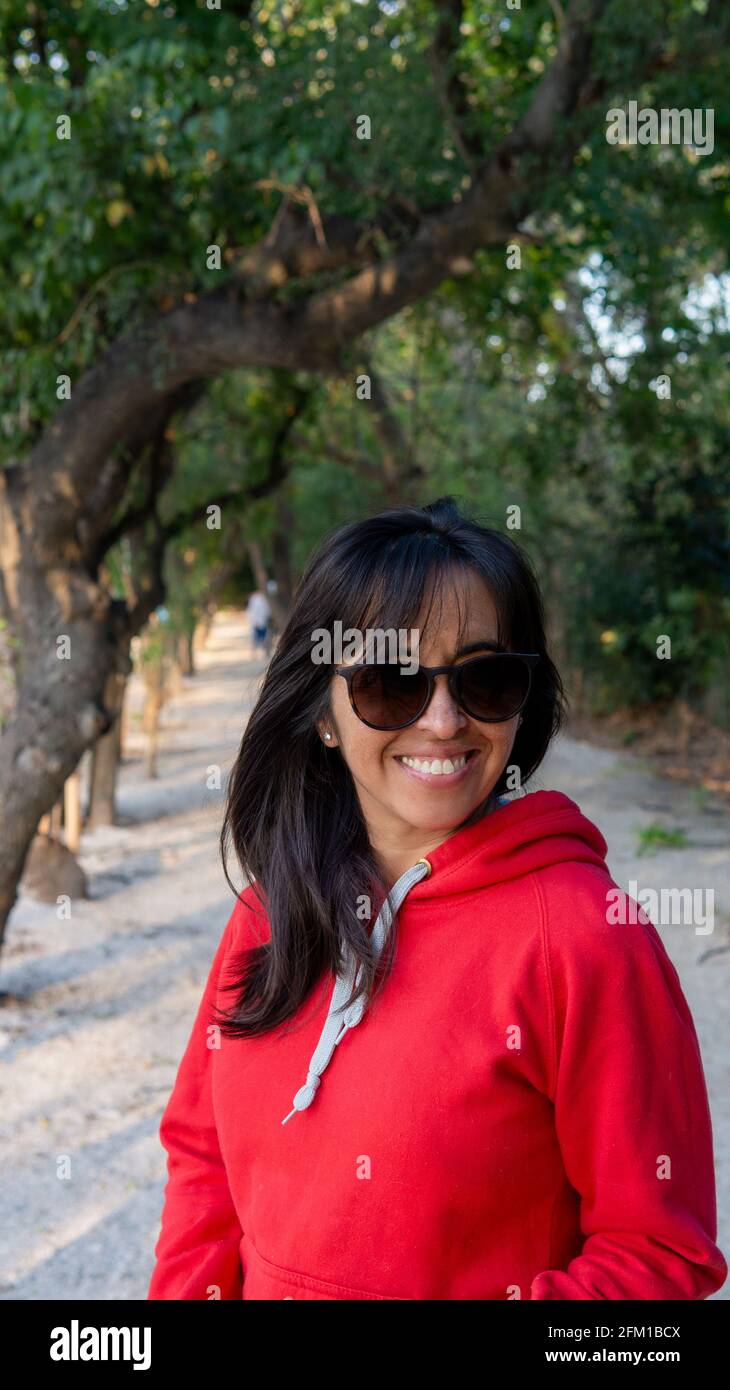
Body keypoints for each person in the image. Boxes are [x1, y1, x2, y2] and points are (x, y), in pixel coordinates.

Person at [147, 496, 727, 1301]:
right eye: (393, 682)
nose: (444, 721)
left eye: (485, 678)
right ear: (322, 710)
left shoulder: (585, 937)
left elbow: (662, 1257)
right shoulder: (269, 909)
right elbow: (202, 1161)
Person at [246, 588, 271, 655]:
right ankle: (257, 651)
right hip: (259, 621)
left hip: (260, 621)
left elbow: (250, 611)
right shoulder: (256, 599)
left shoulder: (258, 599)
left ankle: (260, 651)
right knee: (260, 637)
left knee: (261, 637)